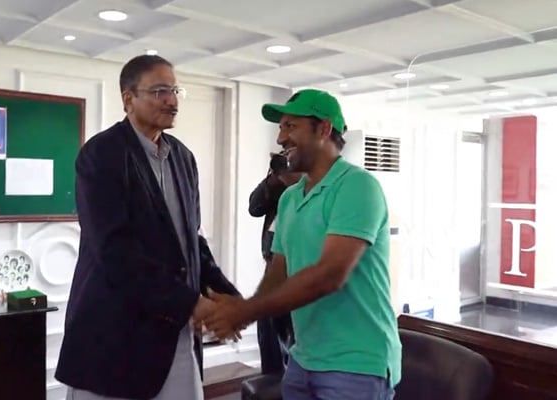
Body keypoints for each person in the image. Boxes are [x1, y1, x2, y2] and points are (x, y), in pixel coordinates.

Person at [55, 54, 241, 400]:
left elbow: (191, 240)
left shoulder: (183, 158)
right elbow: (115, 251)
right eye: (159, 91)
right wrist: (191, 304)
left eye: (174, 90)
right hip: (114, 338)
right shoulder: (102, 155)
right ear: (128, 99)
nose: (171, 101)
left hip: (175, 338)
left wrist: (226, 294)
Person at [204, 89, 401, 399]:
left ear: (323, 129)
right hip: (303, 359)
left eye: (291, 126)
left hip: (357, 364)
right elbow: (278, 271)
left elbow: (329, 275)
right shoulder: (290, 198)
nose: (281, 138)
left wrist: (245, 311)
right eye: (281, 127)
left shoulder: (357, 186)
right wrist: (243, 309)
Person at [248, 151, 300, 375]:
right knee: (268, 330)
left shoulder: (321, 183)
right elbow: (254, 207)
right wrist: (276, 176)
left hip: (302, 267)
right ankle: (271, 381)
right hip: (274, 263)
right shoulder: (280, 185)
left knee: (296, 333)